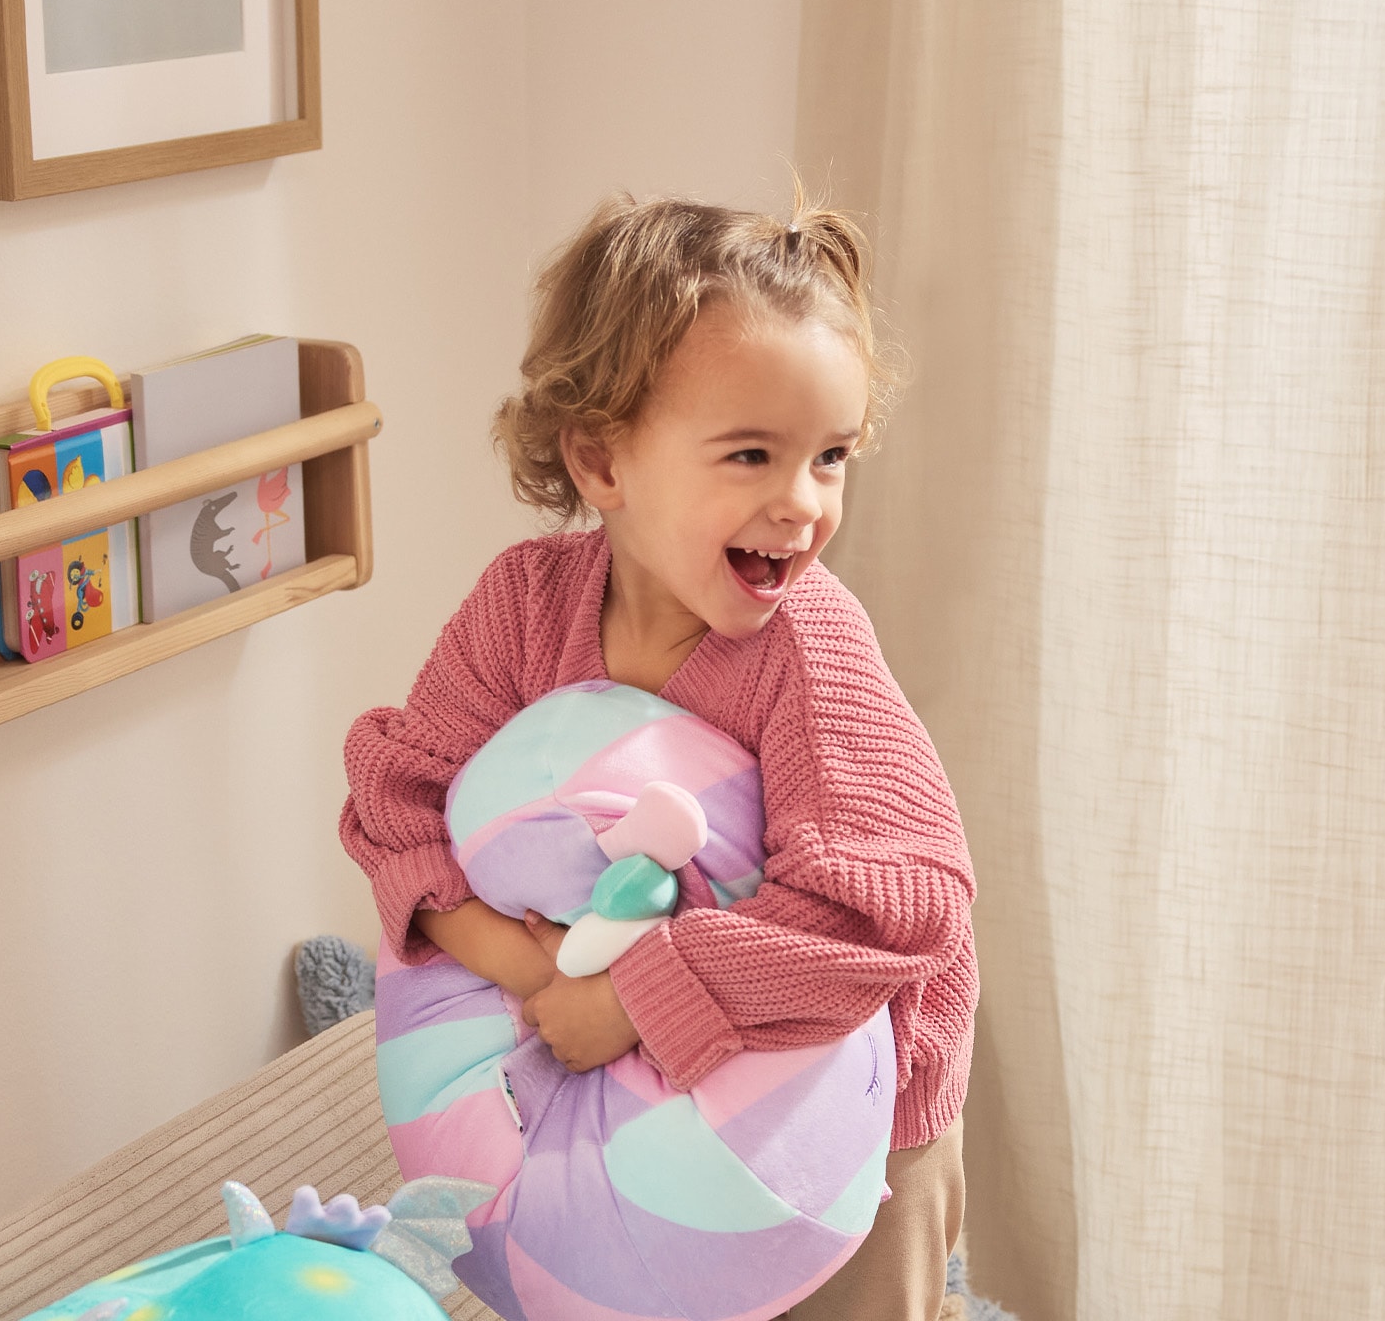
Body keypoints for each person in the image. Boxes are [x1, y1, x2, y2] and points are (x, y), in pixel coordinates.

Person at [339, 191, 977, 1321]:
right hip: (607, 1075)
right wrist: (529, 971)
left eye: (831, 457)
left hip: (844, 1125)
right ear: (601, 463)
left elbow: (895, 903)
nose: (803, 504)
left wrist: (633, 998)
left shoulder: (809, 650)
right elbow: (401, 799)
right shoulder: (525, 612)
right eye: (751, 456)